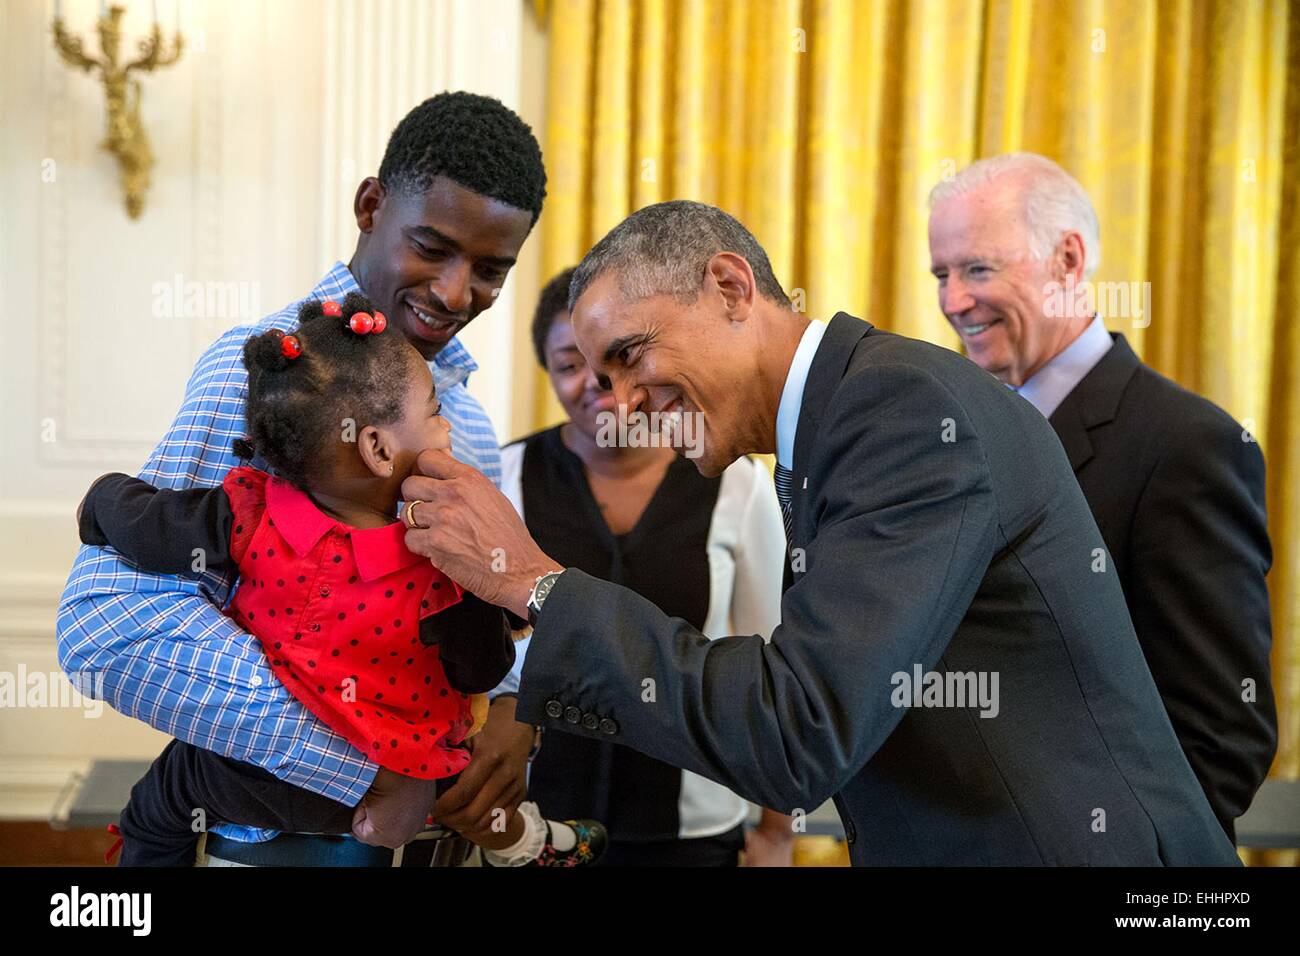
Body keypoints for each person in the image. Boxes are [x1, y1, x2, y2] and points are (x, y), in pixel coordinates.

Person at [395, 199, 1240, 866]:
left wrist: (531, 583)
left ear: (731, 287)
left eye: (631, 355)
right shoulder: (842, 416)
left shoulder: (902, 410)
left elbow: (799, 728)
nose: (617, 406)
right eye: (594, 375)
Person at [57, 92, 548, 860]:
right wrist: (374, 769)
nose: (457, 293)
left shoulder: (469, 425)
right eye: (432, 246)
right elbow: (106, 626)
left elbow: (484, 612)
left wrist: (518, 703)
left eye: (490, 270)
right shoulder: (264, 377)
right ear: (370, 205)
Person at [75, 293, 606, 867]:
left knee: (166, 794)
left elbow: (153, 526)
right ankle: (529, 845)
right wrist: (492, 603)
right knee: (463, 784)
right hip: (405, 771)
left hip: (273, 778)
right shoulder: (438, 562)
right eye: (433, 411)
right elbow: (482, 668)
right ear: (378, 449)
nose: (446, 425)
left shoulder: (248, 514)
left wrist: (104, 500)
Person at [927, 152, 1275, 840]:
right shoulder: (955, 432)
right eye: (942, 273)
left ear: (1067, 260)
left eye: (978, 269)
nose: (952, 301)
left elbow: (1221, 742)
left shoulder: (1187, 445)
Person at [501, 268, 793, 866]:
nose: (594, 384)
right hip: (536, 824)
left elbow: (773, 660)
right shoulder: (506, 477)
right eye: (567, 364)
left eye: (611, 360)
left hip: (694, 828)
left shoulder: (733, 481)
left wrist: (777, 831)